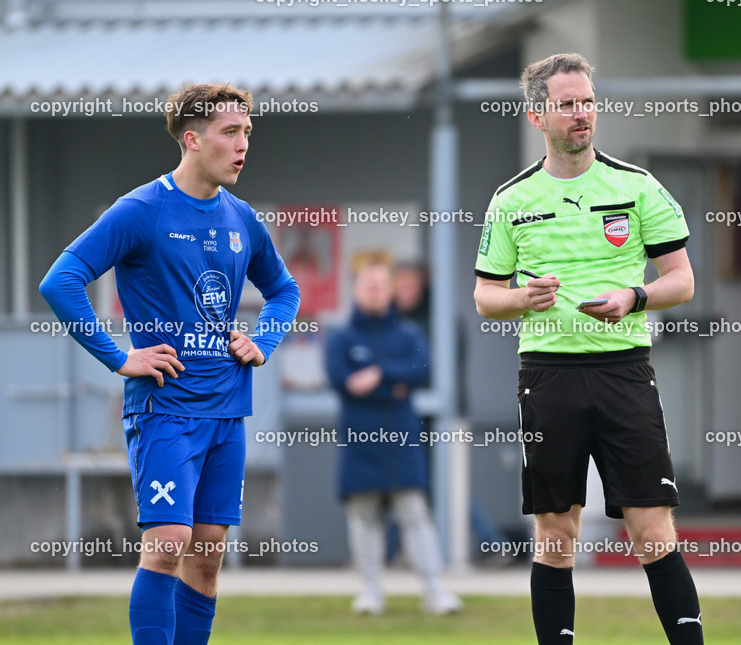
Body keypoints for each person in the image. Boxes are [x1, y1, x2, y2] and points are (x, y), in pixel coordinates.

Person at [39, 83, 300, 644]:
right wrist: (118, 357)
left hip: (227, 413)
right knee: (167, 545)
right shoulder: (142, 210)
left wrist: (263, 341)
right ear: (191, 139)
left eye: (247, 132)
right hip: (166, 410)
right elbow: (60, 282)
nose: (243, 145)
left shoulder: (241, 218)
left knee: (205, 563)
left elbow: (284, 291)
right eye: (230, 132)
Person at [473, 53, 702, 644]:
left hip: (625, 372)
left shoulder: (636, 186)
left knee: (652, 530)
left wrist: (634, 295)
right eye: (568, 104)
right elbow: (484, 297)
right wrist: (524, 298)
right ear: (537, 116)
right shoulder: (511, 200)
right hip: (547, 377)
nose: (582, 114)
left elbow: (682, 280)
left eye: (588, 102)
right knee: (556, 536)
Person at [325, 259, 462, 616]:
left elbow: (421, 371)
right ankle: (370, 592)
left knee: (414, 512)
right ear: (355, 291)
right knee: (363, 516)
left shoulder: (409, 334)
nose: (375, 292)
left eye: (380, 286)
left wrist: (378, 374)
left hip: (402, 439)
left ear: (390, 291)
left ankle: (435, 591)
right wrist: (392, 385)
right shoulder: (341, 336)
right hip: (359, 440)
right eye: (368, 286)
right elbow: (342, 380)